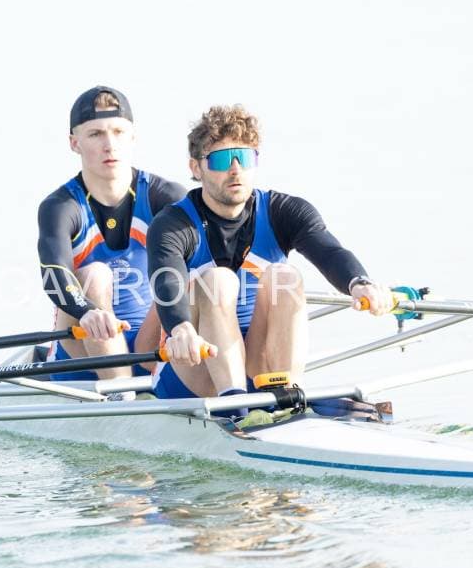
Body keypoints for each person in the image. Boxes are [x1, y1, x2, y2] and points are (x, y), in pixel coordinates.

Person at [146, 104, 393, 400]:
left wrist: (359, 282)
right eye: (221, 159)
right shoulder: (172, 224)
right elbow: (166, 280)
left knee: (285, 276)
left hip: (257, 367)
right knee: (218, 280)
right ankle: (234, 404)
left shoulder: (285, 211)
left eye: (245, 158)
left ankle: (286, 395)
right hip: (193, 367)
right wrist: (180, 327)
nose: (235, 170)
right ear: (196, 168)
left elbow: (329, 252)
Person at [37, 86, 187, 382]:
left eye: (118, 132)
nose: (110, 145)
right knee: (95, 274)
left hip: (150, 347)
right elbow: (54, 273)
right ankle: (122, 393)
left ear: (133, 136)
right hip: (82, 351)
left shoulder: (166, 197)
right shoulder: (60, 207)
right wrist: (87, 311)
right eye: (95, 134)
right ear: (74, 143)